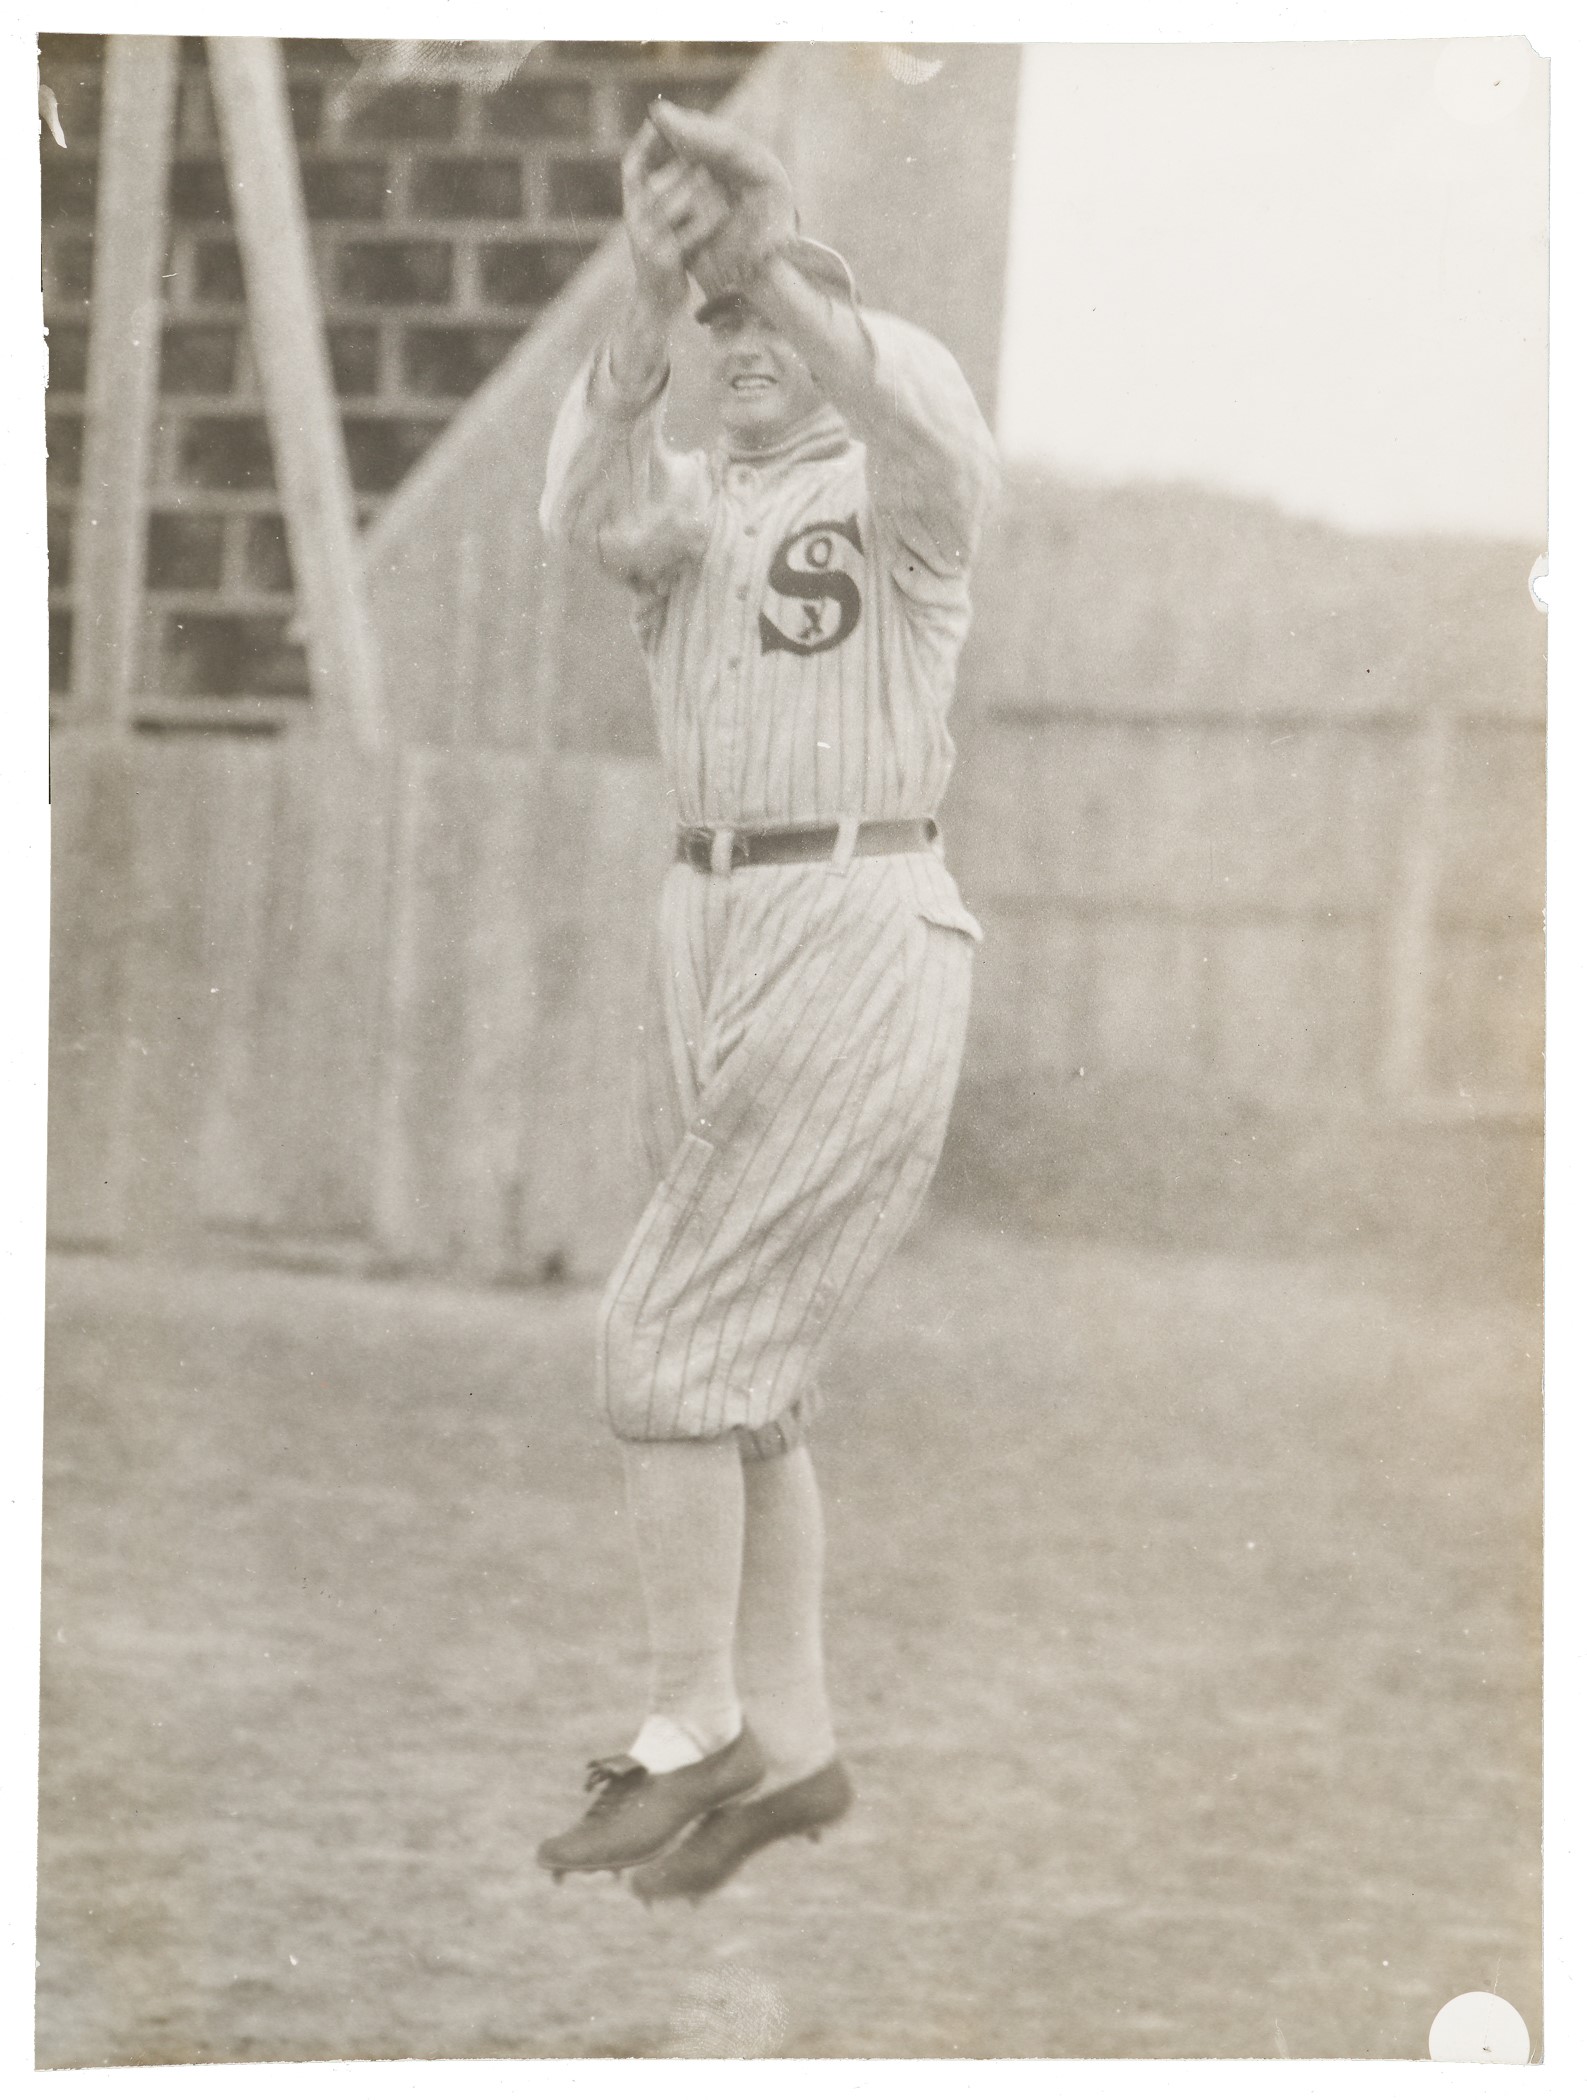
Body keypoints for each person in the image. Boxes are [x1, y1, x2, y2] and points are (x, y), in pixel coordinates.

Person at [534, 101, 998, 1905]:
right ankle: (792, 1752)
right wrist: (652, 301)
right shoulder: (691, 509)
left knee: (661, 1339)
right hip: (712, 920)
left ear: (827, 337)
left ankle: (692, 1723)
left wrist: (781, 272)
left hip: (858, 906)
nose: (746, 348)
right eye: (726, 329)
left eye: (775, 322)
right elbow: (579, 503)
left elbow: (928, 423)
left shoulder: (896, 500)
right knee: (753, 1384)